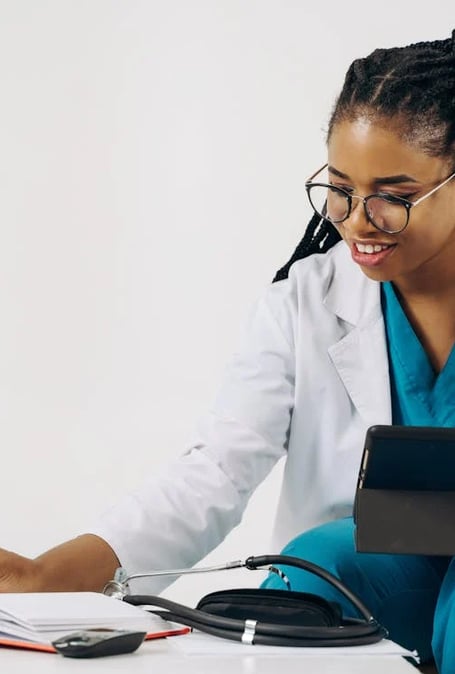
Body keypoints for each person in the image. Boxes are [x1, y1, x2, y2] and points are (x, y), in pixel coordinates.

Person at [1, 29, 454, 672]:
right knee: (319, 561)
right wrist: (47, 576)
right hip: (368, 584)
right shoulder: (305, 303)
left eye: (394, 196)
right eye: (340, 188)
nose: (355, 220)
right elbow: (214, 470)